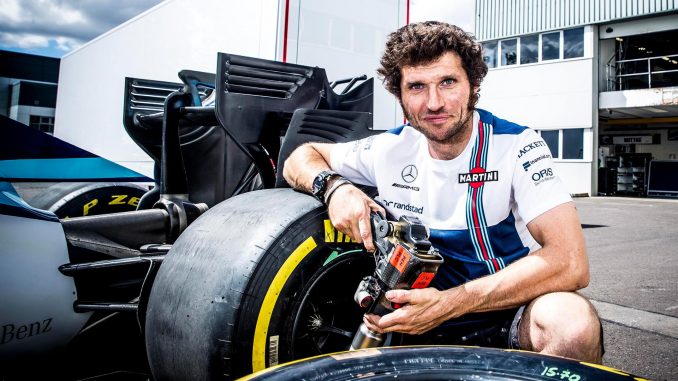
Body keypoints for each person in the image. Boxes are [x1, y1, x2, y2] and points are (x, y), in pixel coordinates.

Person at [283, 21, 603, 363]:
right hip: (410, 322)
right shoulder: (389, 149)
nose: (434, 103)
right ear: (400, 96)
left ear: (473, 84)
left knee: (571, 324)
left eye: (447, 82)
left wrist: (449, 303)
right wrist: (334, 188)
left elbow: (571, 262)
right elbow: (299, 158)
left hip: (505, 315)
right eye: (417, 86)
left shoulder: (516, 145)